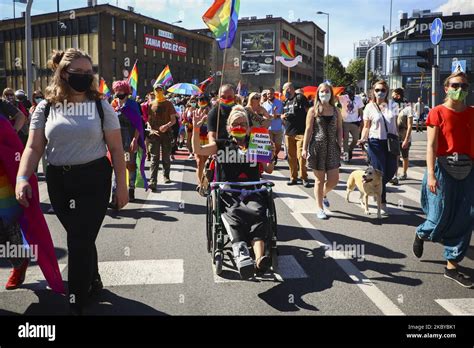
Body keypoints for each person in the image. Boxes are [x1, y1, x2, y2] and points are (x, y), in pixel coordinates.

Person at [15, 48, 128, 315]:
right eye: (79, 73)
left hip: (94, 178)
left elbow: (117, 149)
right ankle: (94, 278)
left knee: (78, 239)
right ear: (64, 74)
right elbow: (33, 147)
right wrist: (22, 177)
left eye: (90, 73)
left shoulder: (101, 107)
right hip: (59, 181)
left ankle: (76, 299)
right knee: (82, 236)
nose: (86, 78)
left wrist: (121, 187)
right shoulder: (45, 107)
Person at [192, 105, 275, 279]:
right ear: (229, 127)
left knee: (259, 212)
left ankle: (260, 259)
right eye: (236, 123)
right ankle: (242, 255)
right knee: (234, 212)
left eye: (243, 123)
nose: (240, 126)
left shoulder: (257, 142)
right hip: (229, 192)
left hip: (252, 191)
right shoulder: (221, 144)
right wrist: (196, 128)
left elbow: (269, 169)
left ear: (249, 127)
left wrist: (271, 154)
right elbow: (199, 150)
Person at [414, 71, 473, 288]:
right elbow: (431, 146)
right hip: (442, 169)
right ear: (447, 88)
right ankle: (421, 233)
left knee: (466, 217)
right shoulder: (437, 112)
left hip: (468, 169)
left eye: (465, 87)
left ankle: (452, 266)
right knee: (439, 216)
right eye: (456, 85)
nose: (460, 90)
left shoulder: (472, 113)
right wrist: (430, 174)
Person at [302, 83, 343, 220]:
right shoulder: (313, 111)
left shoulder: (336, 111)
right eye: (322, 91)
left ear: (331, 93)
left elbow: (339, 129)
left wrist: (341, 145)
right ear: (318, 93)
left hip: (332, 147)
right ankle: (320, 208)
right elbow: (308, 130)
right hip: (317, 147)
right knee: (319, 180)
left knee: (334, 180)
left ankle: (323, 193)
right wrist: (304, 148)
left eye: (327, 91)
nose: (324, 93)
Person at [357, 80, 398, 216]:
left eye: (383, 90)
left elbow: (395, 125)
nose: (380, 92)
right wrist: (363, 138)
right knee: (380, 172)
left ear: (387, 91)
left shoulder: (394, 105)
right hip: (375, 142)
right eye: (377, 90)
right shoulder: (369, 107)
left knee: (391, 171)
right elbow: (367, 126)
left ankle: (372, 188)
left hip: (391, 142)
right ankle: (382, 202)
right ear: (373, 91)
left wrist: (400, 139)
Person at [110, 80, 141, 204]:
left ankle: (131, 188)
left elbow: (138, 124)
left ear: (126, 92)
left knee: (129, 165)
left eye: (121, 91)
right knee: (116, 167)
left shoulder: (133, 105)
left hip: (129, 140)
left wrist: (135, 139)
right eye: (117, 91)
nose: (119, 94)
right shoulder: (112, 104)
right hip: (116, 141)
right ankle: (114, 196)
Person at [147, 84, 177, 190]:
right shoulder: (151, 104)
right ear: (154, 91)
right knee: (154, 158)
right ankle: (153, 181)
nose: (158, 91)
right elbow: (148, 120)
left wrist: (166, 126)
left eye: (160, 90)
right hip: (154, 135)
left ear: (163, 91)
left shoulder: (169, 104)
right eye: (157, 90)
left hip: (166, 135)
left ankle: (166, 175)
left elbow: (174, 120)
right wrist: (150, 129)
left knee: (165, 157)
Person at [282, 82, 310, 187]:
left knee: (301, 157)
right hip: (289, 133)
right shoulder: (285, 102)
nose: (284, 92)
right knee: (291, 157)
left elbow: (308, 111)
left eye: (285, 89)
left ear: (290, 89)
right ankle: (293, 177)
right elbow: (283, 115)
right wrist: (282, 117)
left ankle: (304, 178)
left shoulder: (300, 98)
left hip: (301, 133)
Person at [391, 88, 413, 182]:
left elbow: (410, 125)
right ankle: (394, 175)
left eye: (394, 95)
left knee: (404, 156)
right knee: (395, 156)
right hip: (395, 136)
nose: (392, 96)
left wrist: (406, 139)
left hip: (404, 136)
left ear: (398, 96)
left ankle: (404, 173)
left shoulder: (408, 108)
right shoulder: (392, 107)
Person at [338, 86, 364, 163]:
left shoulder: (358, 98)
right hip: (345, 122)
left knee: (356, 139)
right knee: (345, 141)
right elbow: (334, 98)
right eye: (350, 91)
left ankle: (350, 149)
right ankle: (346, 158)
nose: (351, 93)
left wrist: (361, 120)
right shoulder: (343, 98)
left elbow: (360, 110)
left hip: (355, 122)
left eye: (353, 91)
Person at [193, 95, 211, 191]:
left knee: (206, 162)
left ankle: (205, 180)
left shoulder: (211, 111)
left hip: (208, 138)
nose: (201, 101)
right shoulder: (195, 111)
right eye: (200, 100)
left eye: (203, 100)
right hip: (198, 138)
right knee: (200, 161)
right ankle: (200, 183)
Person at [263, 88, 284, 165]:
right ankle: (271, 159)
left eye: (271, 93)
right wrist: (268, 117)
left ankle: (275, 155)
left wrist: (275, 116)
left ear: (273, 94)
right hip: (269, 128)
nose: (269, 95)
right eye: (268, 94)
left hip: (278, 127)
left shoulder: (279, 103)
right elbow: (263, 116)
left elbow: (282, 114)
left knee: (278, 146)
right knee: (270, 146)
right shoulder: (264, 104)